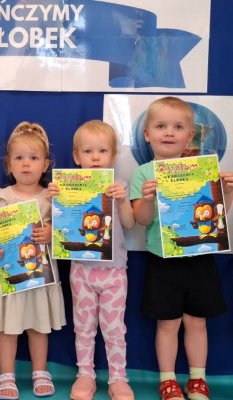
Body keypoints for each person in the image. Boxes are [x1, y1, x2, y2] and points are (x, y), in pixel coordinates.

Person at [130, 96, 233, 400]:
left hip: (200, 256)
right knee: (168, 323)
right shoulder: (143, 173)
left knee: (197, 322)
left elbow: (217, 218)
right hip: (163, 260)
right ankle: (167, 380)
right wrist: (146, 199)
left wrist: (227, 193)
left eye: (178, 127)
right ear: (147, 134)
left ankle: (198, 379)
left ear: (190, 137)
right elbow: (140, 220)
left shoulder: (203, 171)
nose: (169, 132)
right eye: (161, 126)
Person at [46, 120, 135, 400]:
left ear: (113, 155)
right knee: (83, 328)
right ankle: (85, 375)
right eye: (88, 151)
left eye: (102, 151)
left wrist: (122, 201)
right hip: (81, 270)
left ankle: (118, 378)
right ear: (77, 157)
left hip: (114, 272)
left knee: (114, 329)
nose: (95, 157)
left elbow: (130, 223)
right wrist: (53, 200)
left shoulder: (119, 186)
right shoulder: (66, 187)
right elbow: (59, 227)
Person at [0, 122, 66, 399]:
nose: (26, 163)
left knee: (39, 327)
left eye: (34, 158)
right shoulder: (0, 196)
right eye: (19, 157)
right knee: (8, 328)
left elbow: (66, 232)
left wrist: (51, 233)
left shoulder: (52, 197)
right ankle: (6, 374)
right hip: (8, 277)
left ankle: (40, 371)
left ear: (45, 165)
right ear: (9, 164)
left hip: (39, 278)